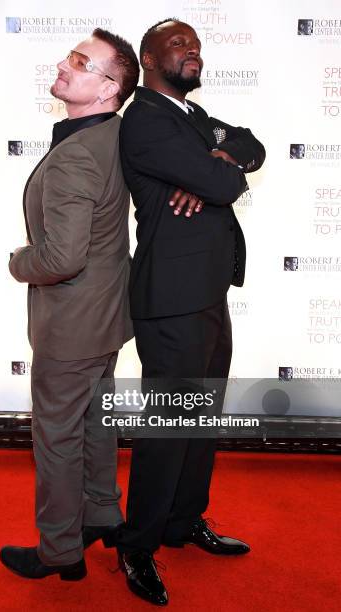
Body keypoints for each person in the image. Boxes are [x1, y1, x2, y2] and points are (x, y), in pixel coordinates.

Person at [116, 18, 266, 605]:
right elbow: (223, 184)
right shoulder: (145, 122)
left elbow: (252, 143)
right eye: (179, 45)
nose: (192, 52)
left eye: (196, 45)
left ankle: (183, 523)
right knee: (168, 428)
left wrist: (221, 156)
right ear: (149, 59)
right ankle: (138, 544)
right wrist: (213, 174)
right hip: (171, 298)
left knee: (201, 421)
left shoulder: (193, 119)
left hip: (206, 291)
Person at [0, 29, 139, 582]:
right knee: (95, 423)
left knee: (57, 438)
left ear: (109, 88)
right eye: (71, 55)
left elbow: (60, 257)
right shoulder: (114, 135)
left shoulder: (77, 156)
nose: (64, 64)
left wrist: (17, 262)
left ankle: (60, 550)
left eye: (81, 61)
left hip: (72, 325)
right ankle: (102, 513)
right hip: (107, 318)